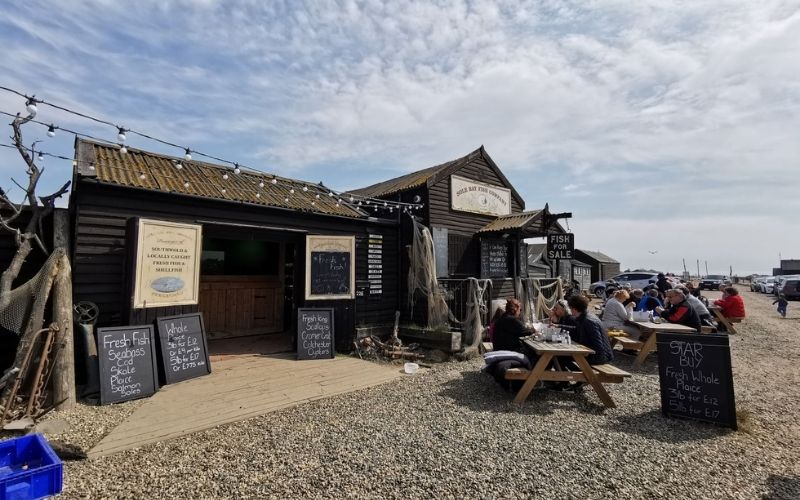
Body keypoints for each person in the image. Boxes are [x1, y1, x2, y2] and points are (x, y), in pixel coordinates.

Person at [567, 295, 614, 365]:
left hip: (600, 357)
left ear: (574, 309)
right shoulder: (586, 317)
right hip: (599, 355)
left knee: (561, 357)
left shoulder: (588, 321)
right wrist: (559, 326)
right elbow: (576, 329)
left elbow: (598, 346)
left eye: (570, 308)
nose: (570, 311)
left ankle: (582, 374)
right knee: (563, 357)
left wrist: (582, 351)